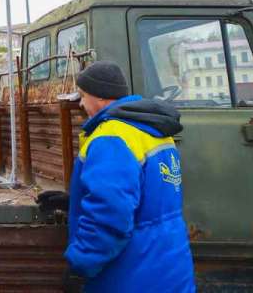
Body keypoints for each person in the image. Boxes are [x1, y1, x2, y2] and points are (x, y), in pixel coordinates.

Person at [63, 60, 195, 292]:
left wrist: (81, 263)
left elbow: (111, 215)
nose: (81, 103)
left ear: (101, 97)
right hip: (169, 266)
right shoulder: (154, 130)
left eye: (83, 96)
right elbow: (149, 198)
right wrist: (74, 199)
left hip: (131, 274)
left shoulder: (112, 137)